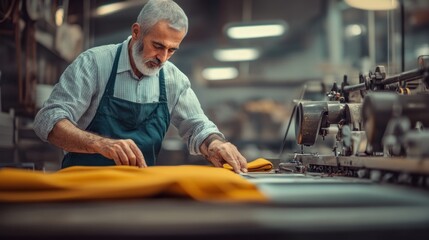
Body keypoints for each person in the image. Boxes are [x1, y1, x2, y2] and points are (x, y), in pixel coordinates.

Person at [33, 0, 248, 173]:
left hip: (138, 191)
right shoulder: (94, 64)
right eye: (157, 46)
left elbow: (198, 126)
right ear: (137, 32)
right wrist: (100, 145)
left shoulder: (174, 80)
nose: (163, 58)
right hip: (82, 189)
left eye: (172, 50)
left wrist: (216, 143)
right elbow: (48, 119)